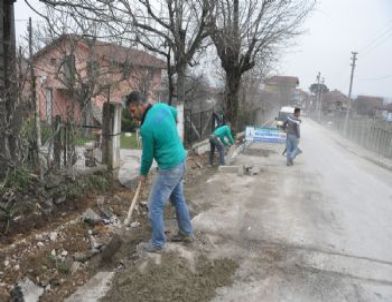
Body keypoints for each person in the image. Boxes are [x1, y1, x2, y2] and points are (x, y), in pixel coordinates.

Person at [126, 91, 193, 253]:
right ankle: (186, 232)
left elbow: (147, 156)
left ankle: (157, 242)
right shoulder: (163, 107)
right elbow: (176, 115)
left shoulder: (146, 127)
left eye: (133, 111)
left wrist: (142, 173)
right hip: (181, 160)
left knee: (154, 205)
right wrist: (169, 133)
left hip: (170, 167)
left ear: (141, 105)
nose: (132, 116)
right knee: (178, 199)